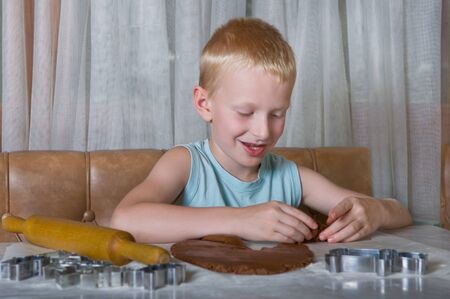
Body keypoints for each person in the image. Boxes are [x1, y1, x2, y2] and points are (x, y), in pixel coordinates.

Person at [111, 18, 412, 244]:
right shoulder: (186, 164)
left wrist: (375, 212)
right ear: (205, 104)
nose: (262, 131)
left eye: (277, 114)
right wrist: (242, 220)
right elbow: (125, 219)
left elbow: (401, 212)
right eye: (245, 112)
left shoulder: (292, 177)